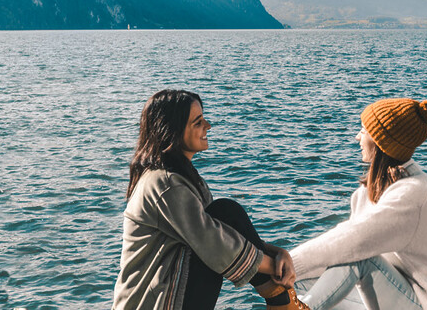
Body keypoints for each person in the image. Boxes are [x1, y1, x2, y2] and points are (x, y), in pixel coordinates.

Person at [113, 90, 310, 310]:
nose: (208, 125)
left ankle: (282, 302)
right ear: (174, 131)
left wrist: (277, 253)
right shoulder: (164, 185)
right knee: (225, 212)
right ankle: (282, 302)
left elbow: (221, 234)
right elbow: (214, 244)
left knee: (225, 214)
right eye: (198, 122)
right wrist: (273, 266)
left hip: (172, 294)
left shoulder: (183, 180)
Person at [289, 98, 427, 310]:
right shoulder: (367, 191)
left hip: (424, 304)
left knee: (358, 257)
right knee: (293, 283)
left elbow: (354, 242)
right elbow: (346, 241)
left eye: (363, 130)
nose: (357, 136)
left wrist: (287, 262)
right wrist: (285, 271)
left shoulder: (414, 192)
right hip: (388, 292)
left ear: (381, 143)